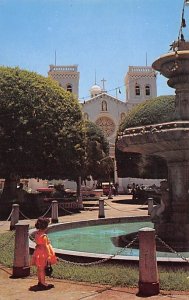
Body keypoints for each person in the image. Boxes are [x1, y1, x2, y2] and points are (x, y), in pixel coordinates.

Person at [31, 217, 57, 290]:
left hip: (38, 252)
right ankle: (43, 283)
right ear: (45, 227)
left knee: (39, 268)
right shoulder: (44, 236)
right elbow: (46, 246)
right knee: (42, 269)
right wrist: (49, 255)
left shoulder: (37, 234)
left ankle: (40, 281)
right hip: (43, 253)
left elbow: (37, 243)